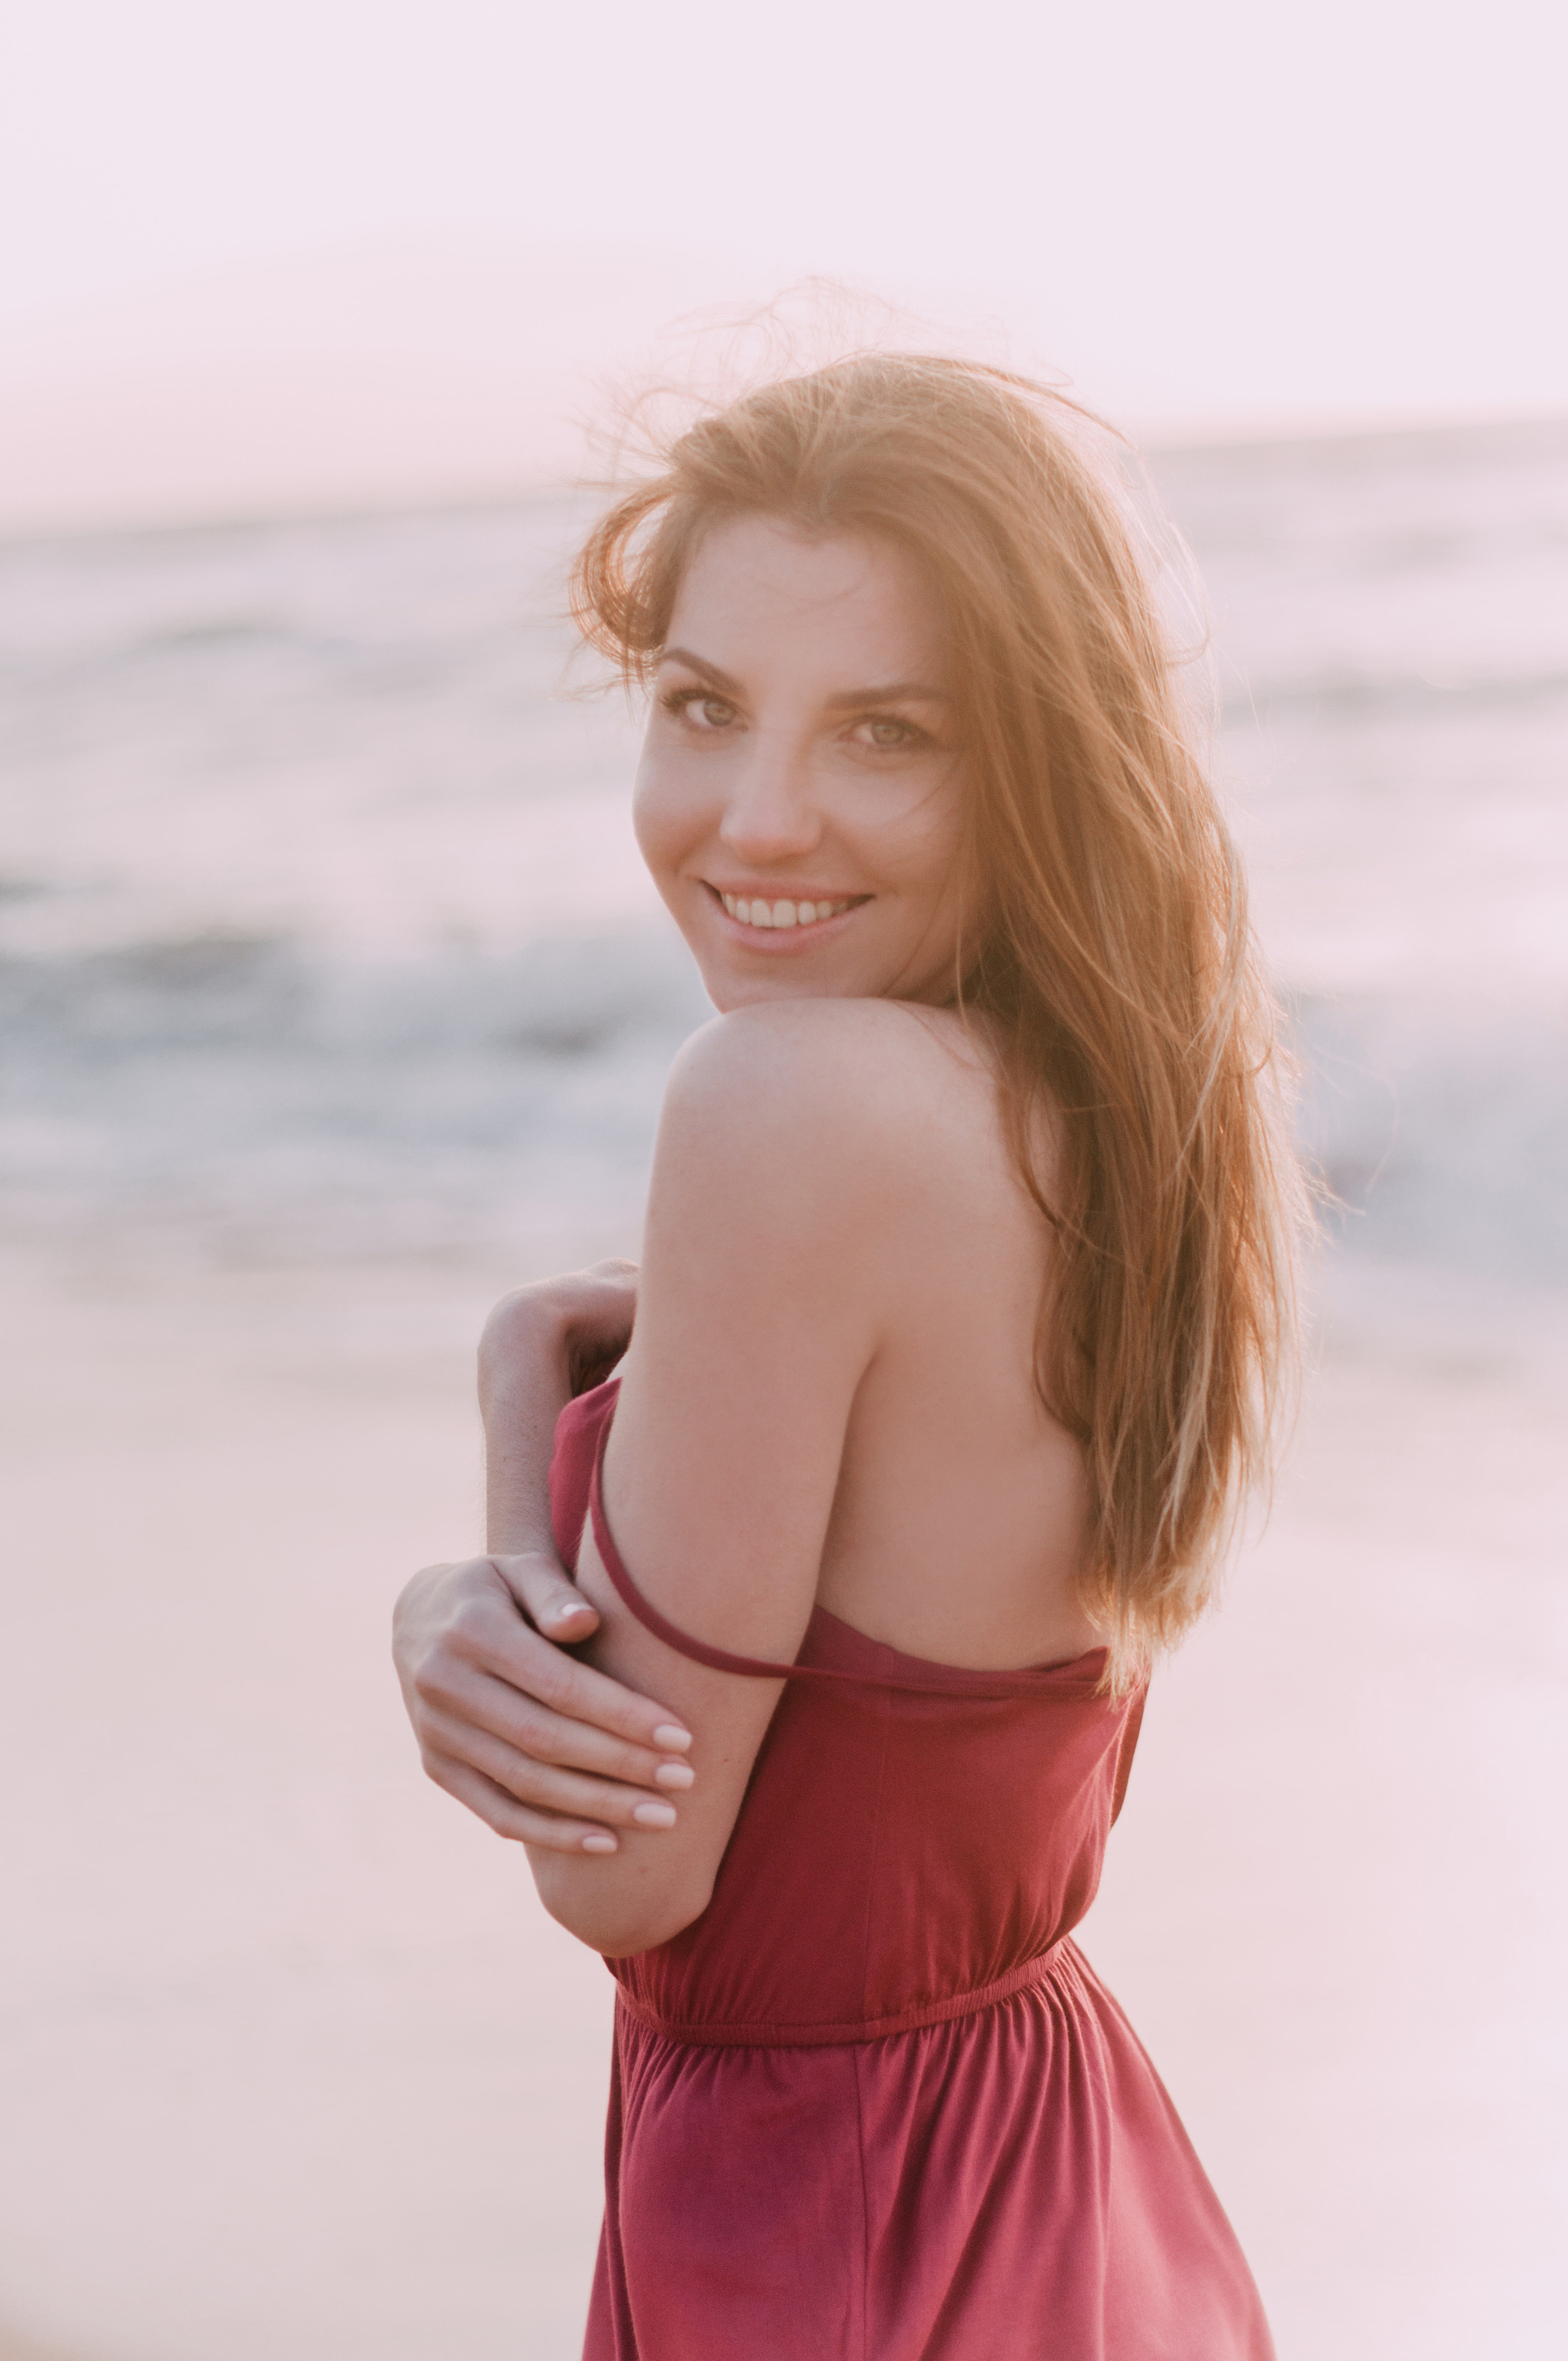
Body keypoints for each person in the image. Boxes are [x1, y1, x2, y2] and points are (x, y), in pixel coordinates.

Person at [392, 353, 1303, 2359]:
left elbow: (621, 1880)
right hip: (1060, 2175)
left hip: (835, 2235)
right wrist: (538, 1350)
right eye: (704, 706)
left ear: (1039, 766)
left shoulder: (784, 1103)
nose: (759, 816)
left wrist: (490, 1501)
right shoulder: (1111, 1113)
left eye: (887, 731)